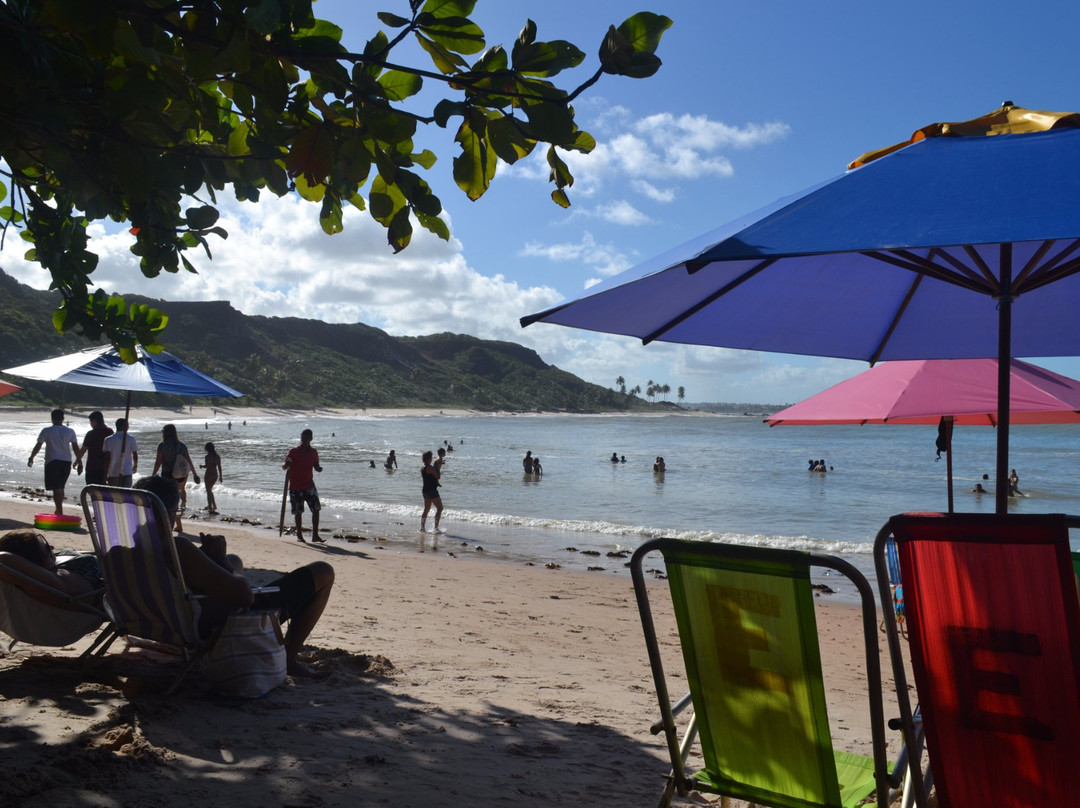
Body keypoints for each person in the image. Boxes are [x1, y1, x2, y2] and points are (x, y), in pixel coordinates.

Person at [133, 476, 334, 678]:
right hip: (226, 621)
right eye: (176, 512)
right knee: (323, 571)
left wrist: (209, 559)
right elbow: (246, 596)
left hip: (162, 618)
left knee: (235, 559)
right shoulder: (178, 548)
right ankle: (289, 659)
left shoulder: (121, 551)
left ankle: (226, 562)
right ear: (165, 513)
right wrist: (222, 561)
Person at [0, 529, 103, 607]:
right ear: (34, 563)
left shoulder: (52, 566)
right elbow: (3, 558)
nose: (52, 548)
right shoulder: (58, 582)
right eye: (47, 548)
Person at [27, 409, 81, 515]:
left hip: (52, 462)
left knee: (57, 488)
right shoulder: (70, 431)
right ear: (63, 419)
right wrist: (79, 462)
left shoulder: (47, 431)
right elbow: (75, 448)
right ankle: (58, 510)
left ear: (52, 419)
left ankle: (59, 512)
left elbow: (38, 446)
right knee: (60, 486)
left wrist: (31, 457)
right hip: (66, 462)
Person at [152, 424, 200, 528]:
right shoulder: (181, 445)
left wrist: (153, 474)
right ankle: (178, 524)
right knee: (175, 498)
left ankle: (170, 523)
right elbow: (189, 460)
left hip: (167, 475)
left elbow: (158, 462)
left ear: (165, 433)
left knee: (167, 499)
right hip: (179, 476)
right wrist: (195, 474)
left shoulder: (162, 445)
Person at [283, 429, 323, 543]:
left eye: (306, 438)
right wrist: (287, 464)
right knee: (298, 512)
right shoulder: (294, 451)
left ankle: (315, 535)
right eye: (302, 438)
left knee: (316, 509)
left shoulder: (313, 452)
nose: (303, 440)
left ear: (311, 439)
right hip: (296, 486)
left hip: (309, 485)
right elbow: (284, 467)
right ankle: (299, 535)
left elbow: (316, 465)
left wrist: (318, 468)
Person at [78, 411, 113, 486]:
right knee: (104, 491)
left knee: (92, 490)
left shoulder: (91, 434)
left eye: (90, 422)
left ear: (94, 421)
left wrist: (77, 461)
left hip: (92, 467)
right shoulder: (110, 432)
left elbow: (84, 449)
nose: (90, 424)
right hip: (106, 467)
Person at [102, 417, 139, 487]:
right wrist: (135, 465)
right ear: (126, 427)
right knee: (126, 494)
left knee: (114, 494)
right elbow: (135, 454)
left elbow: (107, 457)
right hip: (127, 471)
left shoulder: (108, 439)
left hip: (113, 472)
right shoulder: (131, 439)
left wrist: (106, 472)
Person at [420, 450, 443, 534]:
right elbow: (438, 476)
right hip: (431, 490)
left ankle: (422, 528)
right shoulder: (429, 467)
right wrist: (439, 467)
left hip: (425, 490)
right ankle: (436, 528)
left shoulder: (423, 466)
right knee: (440, 508)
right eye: (431, 457)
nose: (432, 459)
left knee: (426, 509)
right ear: (429, 458)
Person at [201, 442, 223, 514]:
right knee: (210, 490)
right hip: (215, 474)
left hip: (209, 474)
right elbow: (219, 467)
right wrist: (221, 476)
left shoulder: (207, 456)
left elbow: (207, 466)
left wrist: (201, 466)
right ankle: (213, 505)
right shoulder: (217, 456)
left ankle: (210, 508)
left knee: (208, 491)